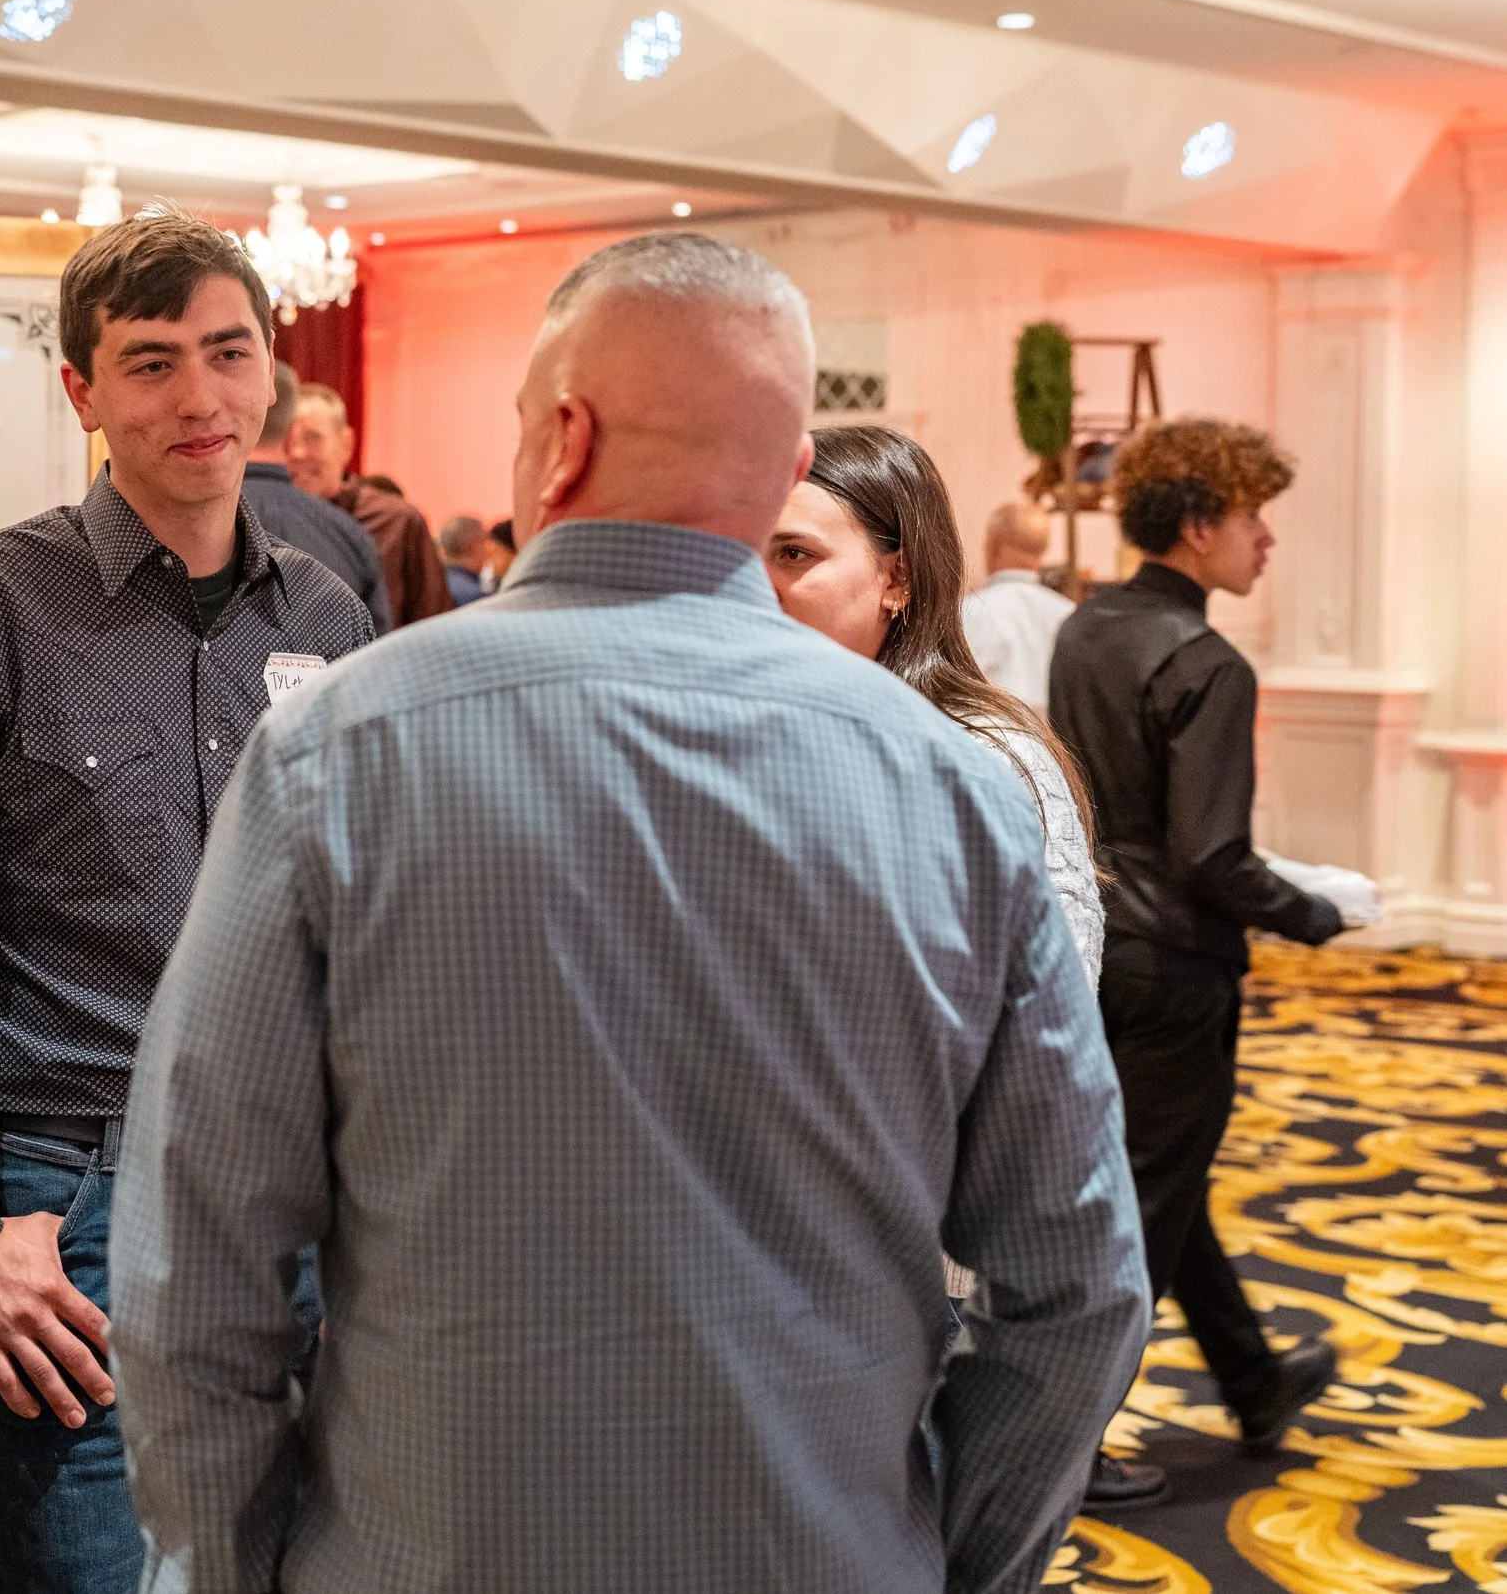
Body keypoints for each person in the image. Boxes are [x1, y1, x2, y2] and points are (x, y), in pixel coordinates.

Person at [111, 232, 1147, 1594]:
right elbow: (1077, 1292)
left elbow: (199, 1266)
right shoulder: (954, 787)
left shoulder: (340, 750)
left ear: (561, 439)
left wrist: (229, 1567)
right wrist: (945, 1556)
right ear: (785, 473)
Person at [0, 209, 374, 1594]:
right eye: (149, 361)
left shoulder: (327, 613)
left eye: (228, 352)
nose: (199, 397)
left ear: (269, 372)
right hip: (66, 1204)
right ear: (82, 391)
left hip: (297, 1194)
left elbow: (367, 927)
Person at [1049, 417, 1347, 1494]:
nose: (1265, 539)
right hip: (1176, 966)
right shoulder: (1204, 660)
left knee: (1159, 1185)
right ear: (1196, 523)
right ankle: (1062, 1438)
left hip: (1094, 943)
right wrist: (1315, 912)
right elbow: (1212, 855)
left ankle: (1251, 1376)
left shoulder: (1085, 627)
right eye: (1251, 516)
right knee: (1139, 1208)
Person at [767, 428, 1101, 983]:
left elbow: (1053, 998)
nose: (755, 583)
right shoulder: (746, 736)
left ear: (898, 576)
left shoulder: (987, 757)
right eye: (743, 553)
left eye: (794, 554)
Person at [285, 383, 456, 628]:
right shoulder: (264, 519)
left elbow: (432, 621)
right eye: (287, 440)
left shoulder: (396, 521)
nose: (297, 453)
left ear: (345, 444)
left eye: (313, 438)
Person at [243, 357, 392, 633]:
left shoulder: (180, 523)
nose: (301, 453)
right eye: (302, 438)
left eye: (314, 438)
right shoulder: (350, 536)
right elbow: (375, 648)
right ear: (290, 435)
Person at [962, 500, 1075, 712]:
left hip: (989, 737)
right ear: (1042, 552)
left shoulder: (968, 612)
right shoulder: (1069, 613)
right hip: (1057, 742)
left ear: (993, 546)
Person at [437, 513, 491, 607]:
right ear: (474, 546)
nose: (489, 549)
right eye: (485, 541)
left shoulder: (430, 587)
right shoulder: (474, 597)